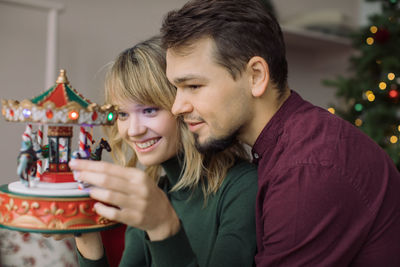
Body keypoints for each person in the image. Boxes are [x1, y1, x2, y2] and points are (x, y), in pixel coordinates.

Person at [160, 0, 400, 266]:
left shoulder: (307, 168)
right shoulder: (292, 143)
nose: (177, 107)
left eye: (193, 85)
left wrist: (164, 232)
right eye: (176, 88)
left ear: (256, 76)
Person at [68, 36, 258, 267]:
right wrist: (86, 236)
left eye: (149, 110)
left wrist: (163, 228)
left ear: (182, 106)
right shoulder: (156, 192)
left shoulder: (243, 187)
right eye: (122, 114)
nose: (133, 131)